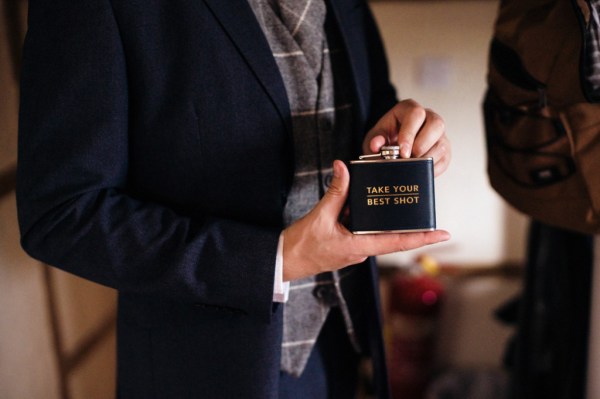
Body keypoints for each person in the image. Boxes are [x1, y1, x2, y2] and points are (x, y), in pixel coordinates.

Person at [16, 0, 451, 398]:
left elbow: (366, 106)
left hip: (344, 342)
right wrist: (274, 260)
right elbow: (61, 211)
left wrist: (408, 136)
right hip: (205, 369)